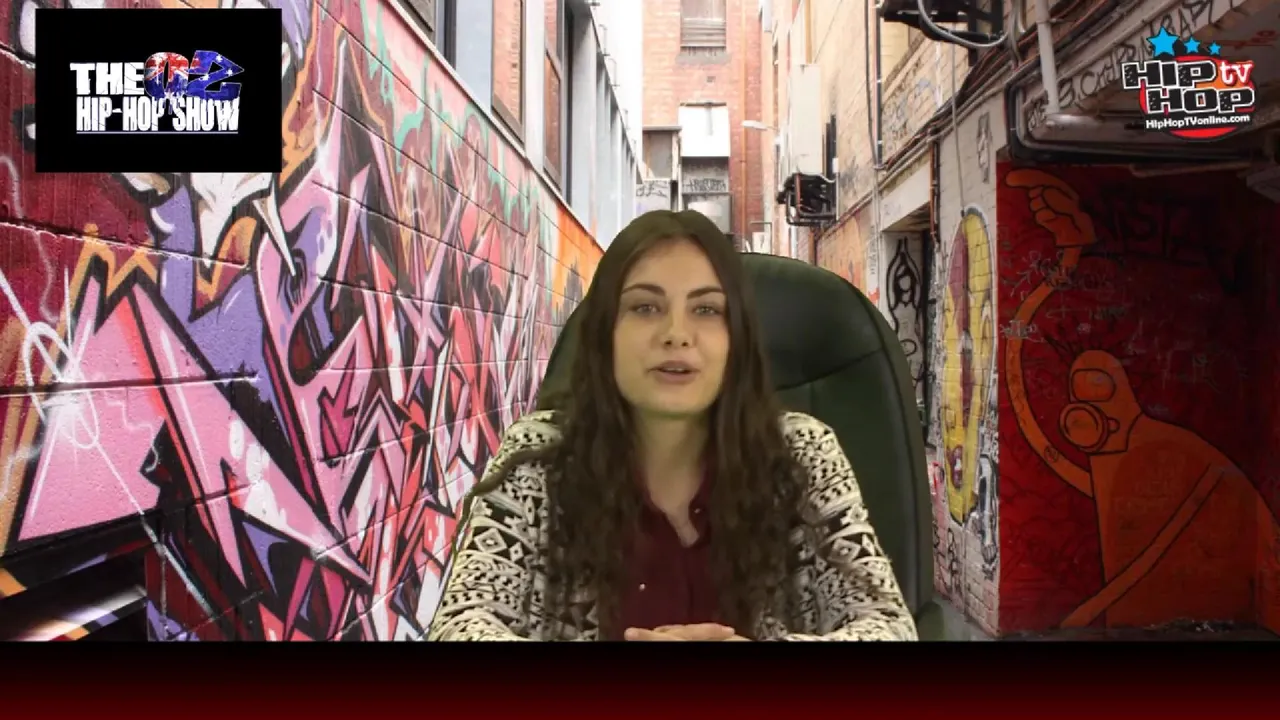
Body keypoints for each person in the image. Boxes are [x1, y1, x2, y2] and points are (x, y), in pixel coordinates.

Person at [427, 209, 917, 642]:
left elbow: (889, 627)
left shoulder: (801, 453)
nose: (677, 334)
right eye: (645, 307)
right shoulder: (538, 459)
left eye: (706, 310)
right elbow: (458, 626)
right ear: (604, 336)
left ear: (737, 338)